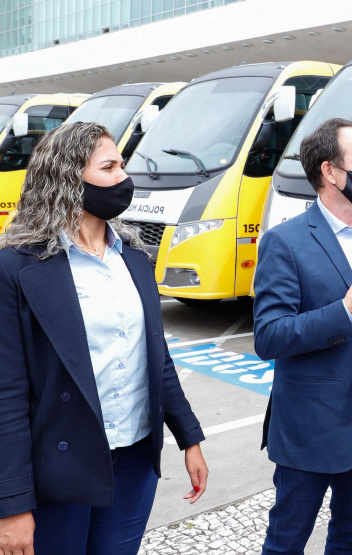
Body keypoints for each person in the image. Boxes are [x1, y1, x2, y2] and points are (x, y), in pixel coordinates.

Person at [0, 121, 208, 555]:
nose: (124, 179)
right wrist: (12, 504)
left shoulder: (132, 257)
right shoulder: (16, 268)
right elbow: (7, 394)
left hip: (134, 460)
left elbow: (156, 357)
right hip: (59, 466)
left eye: (123, 166)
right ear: (67, 176)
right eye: (109, 167)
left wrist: (189, 436)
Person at [253, 118, 352, 555]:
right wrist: (346, 310)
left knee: (351, 538)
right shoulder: (284, 243)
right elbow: (269, 336)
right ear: (330, 172)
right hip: (311, 424)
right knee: (286, 542)